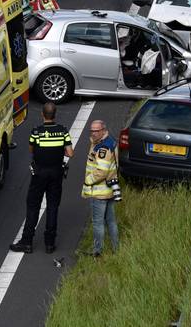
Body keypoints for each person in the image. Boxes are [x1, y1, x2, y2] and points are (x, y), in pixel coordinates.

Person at [10, 102, 74, 254]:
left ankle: (27, 242)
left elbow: (32, 149)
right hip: (56, 173)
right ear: (55, 114)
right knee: (52, 207)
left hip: (39, 174)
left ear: (42, 114)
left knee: (33, 206)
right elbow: (70, 153)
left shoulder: (36, 132)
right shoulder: (63, 131)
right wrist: (59, 151)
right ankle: (49, 244)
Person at [82, 120, 120, 256]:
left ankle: (97, 251)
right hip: (109, 190)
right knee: (111, 221)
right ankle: (116, 249)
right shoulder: (110, 141)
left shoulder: (103, 148)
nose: (93, 133)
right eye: (91, 130)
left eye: (96, 131)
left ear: (103, 130)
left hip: (99, 192)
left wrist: (88, 181)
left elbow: (101, 171)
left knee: (98, 223)